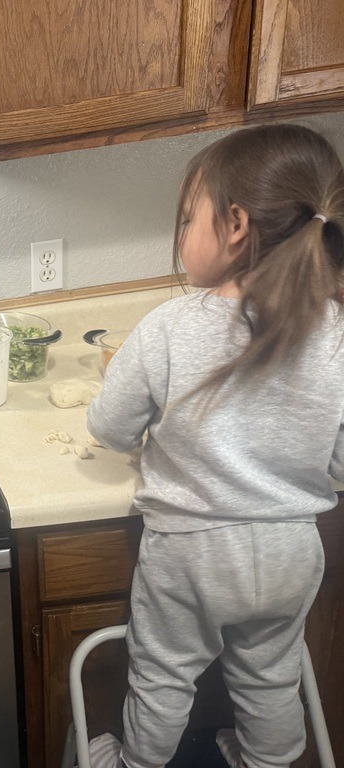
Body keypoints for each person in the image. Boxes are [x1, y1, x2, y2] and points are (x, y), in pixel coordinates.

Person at [85, 123, 344, 768]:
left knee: (164, 673)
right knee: (271, 672)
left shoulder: (170, 325)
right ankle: (269, 761)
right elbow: (339, 463)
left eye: (185, 221)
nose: (180, 239)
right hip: (292, 551)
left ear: (233, 224)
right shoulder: (338, 329)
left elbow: (110, 427)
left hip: (192, 555)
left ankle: (136, 762)